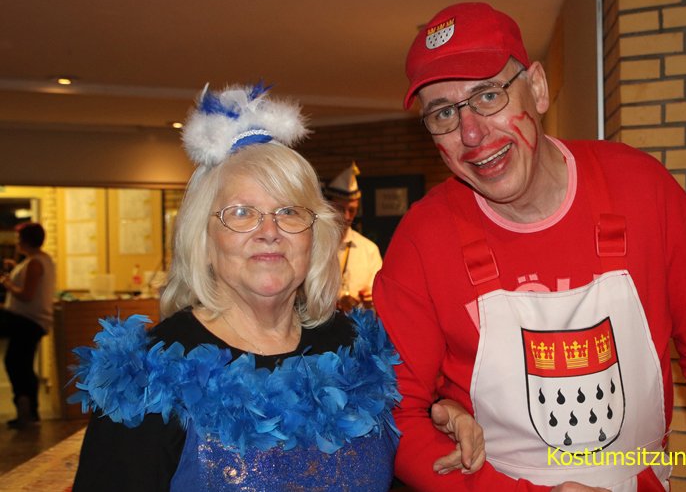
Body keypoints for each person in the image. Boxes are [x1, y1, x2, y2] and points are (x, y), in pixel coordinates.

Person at [373, 2, 686, 491]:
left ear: (537, 88)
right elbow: (393, 416)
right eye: (444, 113)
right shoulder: (423, 239)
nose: (471, 132)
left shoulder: (642, 191)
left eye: (489, 95)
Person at [70, 83, 483, 491]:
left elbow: (400, 458)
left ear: (314, 238)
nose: (269, 232)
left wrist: (444, 416)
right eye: (241, 213)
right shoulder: (145, 379)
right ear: (203, 240)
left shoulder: (357, 351)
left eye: (288, 211)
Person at [0, 222, 55, 429]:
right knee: (20, 363)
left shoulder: (35, 263)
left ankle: (27, 409)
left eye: (19, 238)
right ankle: (28, 409)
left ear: (26, 240)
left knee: (17, 363)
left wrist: (7, 284)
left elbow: (27, 295)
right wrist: (15, 269)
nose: (16, 242)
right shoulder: (38, 260)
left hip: (28, 321)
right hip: (29, 321)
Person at [325, 162, 383, 311]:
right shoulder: (314, 245)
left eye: (352, 210)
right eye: (340, 209)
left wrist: (371, 300)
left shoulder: (369, 250)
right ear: (329, 206)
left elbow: (381, 299)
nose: (346, 216)